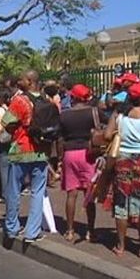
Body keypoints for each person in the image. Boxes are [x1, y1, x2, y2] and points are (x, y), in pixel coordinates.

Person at [105, 82, 140, 257]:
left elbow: (107, 135)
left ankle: (121, 245)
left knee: (121, 202)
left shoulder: (119, 115)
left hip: (123, 161)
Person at [1, 70, 49, 243]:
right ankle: (32, 231)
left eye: (21, 79)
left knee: (14, 190)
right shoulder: (46, 100)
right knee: (38, 192)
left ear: (29, 81)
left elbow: (6, 122)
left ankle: (12, 227)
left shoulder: (20, 101)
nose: (18, 81)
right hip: (41, 151)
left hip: (21, 150)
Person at [59, 84, 104, 242]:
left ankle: (70, 230)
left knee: (71, 194)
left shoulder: (64, 115)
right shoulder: (94, 112)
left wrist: (59, 158)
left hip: (70, 153)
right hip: (89, 154)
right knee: (89, 194)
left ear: (73, 97)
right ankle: (90, 231)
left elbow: (60, 137)